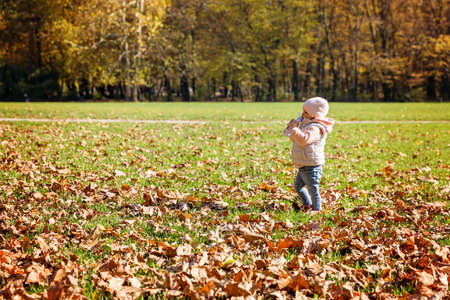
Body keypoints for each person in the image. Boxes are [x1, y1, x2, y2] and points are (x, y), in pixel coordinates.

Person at [284, 97, 334, 212]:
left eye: (306, 112)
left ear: (315, 115)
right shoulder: (306, 124)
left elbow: (304, 139)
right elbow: (294, 139)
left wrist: (295, 129)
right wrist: (290, 128)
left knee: (313, 189)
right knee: (298, 187)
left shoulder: (316, 128)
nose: (302, 114)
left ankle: (317, 210)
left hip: (311, 165)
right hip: (303, 163)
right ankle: (307, 204)